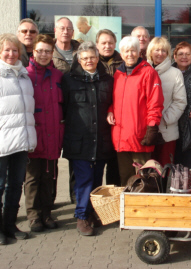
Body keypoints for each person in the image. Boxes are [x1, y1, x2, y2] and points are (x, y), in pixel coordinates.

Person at [0, 33, 37, 245]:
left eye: (14, 50)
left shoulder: (23, 76)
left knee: (15, 184)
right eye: (7, 50)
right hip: (0, 143)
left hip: (20, 141)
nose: (11, 54)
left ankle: (10, 224)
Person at [61, 41, 115, 236]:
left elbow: (113, 104)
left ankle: (92, 213)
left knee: (97, 180)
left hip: (101, 139)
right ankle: (82, 216)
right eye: (84, 58)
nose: (88, 61)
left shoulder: (107, 80)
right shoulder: (68, 80)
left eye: (92, 57)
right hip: (79, 140)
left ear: (98, 57)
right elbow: (63, 107)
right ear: (78, 60)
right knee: (83, 180)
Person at [107, 36, 164, 186]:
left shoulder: (148, 73)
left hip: (140, 136)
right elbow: (114, 99)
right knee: (125, 178)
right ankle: (126, 208)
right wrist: (110, 110)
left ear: (139, 53)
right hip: (121, 136)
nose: (130, 54)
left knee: (143, 179)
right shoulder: (118, 74)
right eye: (126, 51)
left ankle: (142, 207)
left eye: (133, 51)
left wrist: (152, 127)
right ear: (121, 54)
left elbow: (155, 103)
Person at [24, 34, 63, 232]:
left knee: (50, 176)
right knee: (32, 178)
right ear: (33, 51)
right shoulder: (25, 75)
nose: (44, 55)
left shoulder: (57, 76)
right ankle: (33, 216)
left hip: (52, 135)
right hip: (33, 135)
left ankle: (47, 213)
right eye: (40, 51)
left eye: (48, 51)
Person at [147, 37, 187, 166]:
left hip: (167, 130)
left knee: (166, 169)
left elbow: (180, 101)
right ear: (150, 52)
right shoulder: (143, 71)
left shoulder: (175, 73)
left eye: (164, 50)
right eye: (156, 50)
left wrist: (163, 119)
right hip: (146, 130)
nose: (160, 53)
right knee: (148, 169)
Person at [53, 17, 80, 203]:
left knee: (76, 159)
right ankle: (48, 201)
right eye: (62, 28)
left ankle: (76, 198)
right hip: (55, 112)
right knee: (51, 162)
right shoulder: (48, 53)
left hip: (77, 113)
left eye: (69, 28)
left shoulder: (82, 50)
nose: (65, 31)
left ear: (73, 32)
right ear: (55, 30)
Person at [96, 29, 123, 187]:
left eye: (110, 43)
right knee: (96, 165)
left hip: (117, 119)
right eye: (103, 43)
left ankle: (113, 199)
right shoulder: (91, 61)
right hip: (98, 118)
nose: (107, 46)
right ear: (97, 45)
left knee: (115, 164)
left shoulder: (123, 62)